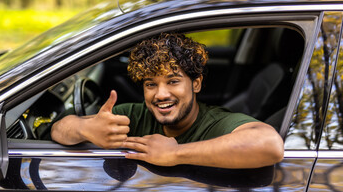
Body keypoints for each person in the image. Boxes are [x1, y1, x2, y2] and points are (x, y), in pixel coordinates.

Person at [51, 32, 284, 169]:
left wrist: (176, 154)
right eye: (150, 84)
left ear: (196, 84)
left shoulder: (216, 123)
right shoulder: (132, 115)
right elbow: (59, 128)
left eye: (173, 81)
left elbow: (270, 144)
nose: (160, 94)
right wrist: (85, 128)